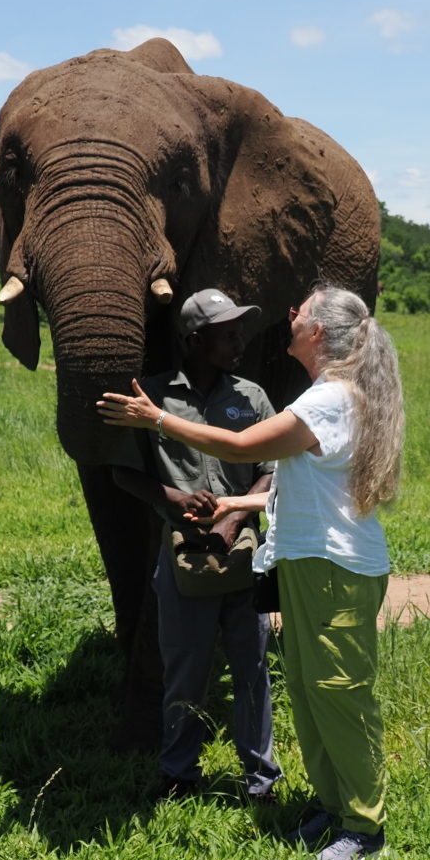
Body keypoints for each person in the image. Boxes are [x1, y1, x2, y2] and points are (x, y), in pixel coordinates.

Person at [98, 285, 403, 860]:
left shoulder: (327, 400)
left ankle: (365, 827)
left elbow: (240, 443)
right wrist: (240, 507)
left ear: (317, 333)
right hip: (311, 562)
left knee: (341, 697)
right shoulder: (326, 395)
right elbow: (302, 489)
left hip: (335, 568)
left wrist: (155, 417)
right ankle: (334, 805)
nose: (291, 315)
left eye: (302, 311)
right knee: (313, 698)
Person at [111, 290, 282, 804]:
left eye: (240, 332)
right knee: (184, 668)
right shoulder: (154, 397)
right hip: (182, 555)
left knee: (252, 670)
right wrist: (177, 499)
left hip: (243, 553)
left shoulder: (251, 397)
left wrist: (232, 513)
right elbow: (125, 473)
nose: (239, 342)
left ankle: (261, 779)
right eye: (228, 334)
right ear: (195, 339)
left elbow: (273, 470)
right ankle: (180, 773)